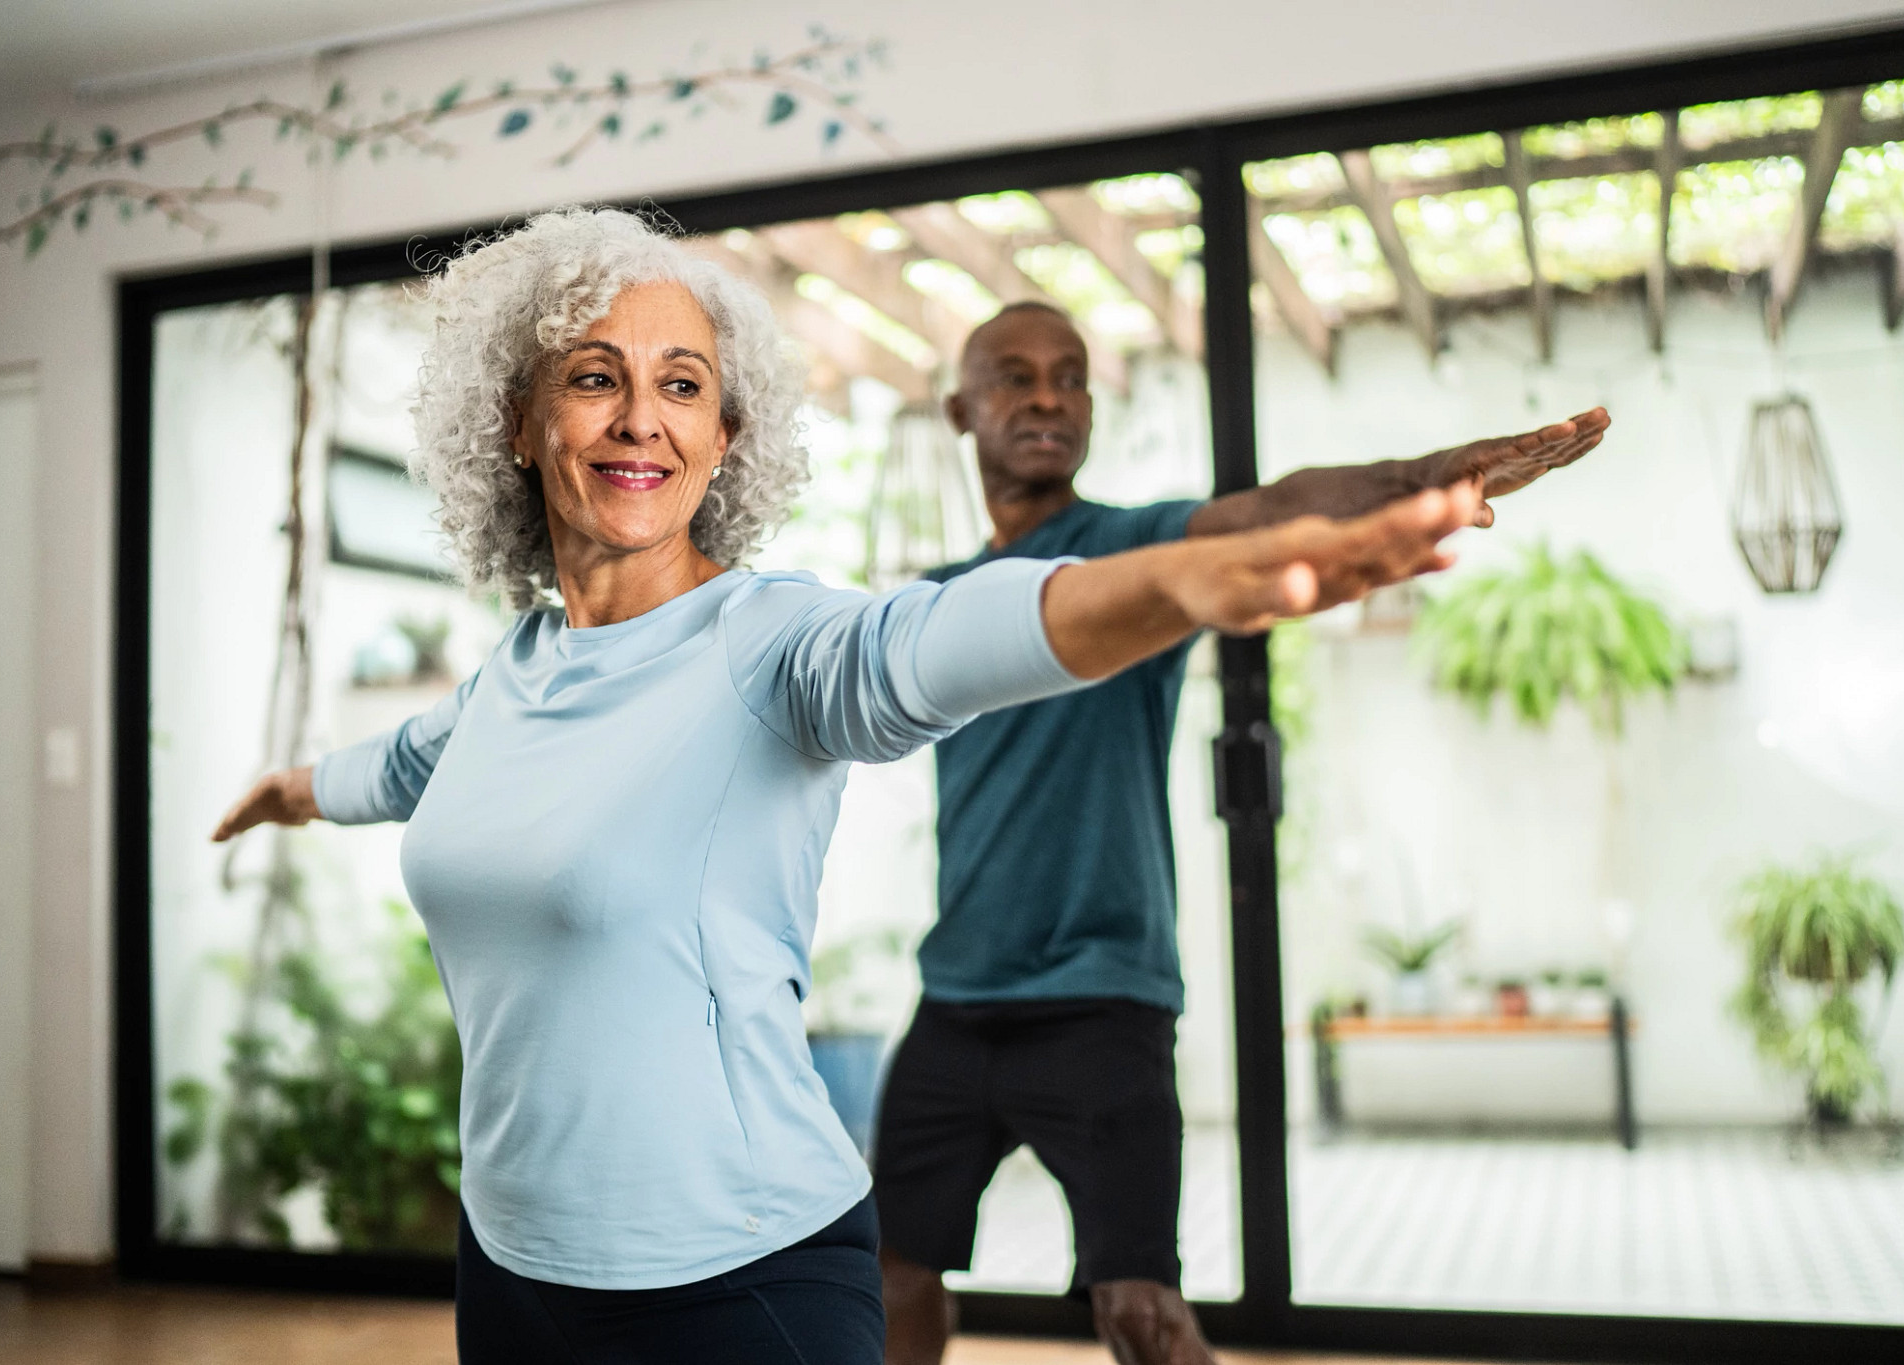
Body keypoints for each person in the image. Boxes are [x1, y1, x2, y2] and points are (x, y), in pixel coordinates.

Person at [209, 207, 1486, 1365]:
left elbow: (923, 646)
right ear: (519, 419)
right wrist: (299, 786)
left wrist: (1175, 583)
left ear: (724, 435)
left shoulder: (770, 641)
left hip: (734, 1280)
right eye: (594, 378)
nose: (638, 418)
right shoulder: (512, 677)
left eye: (682, 385)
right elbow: (415, 762)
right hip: (509, 1267)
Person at [874, 301, 1610, 1365]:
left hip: (1101, 1000)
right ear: (959, 408)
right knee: (892, 1272)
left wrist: (1425, 474)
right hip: (956, 1001)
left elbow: (1269, 509)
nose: (1044, 396)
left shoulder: (1130, 550)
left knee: (1137, 1307)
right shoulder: (937, 602)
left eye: (1068, 375)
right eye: (1013, 375)